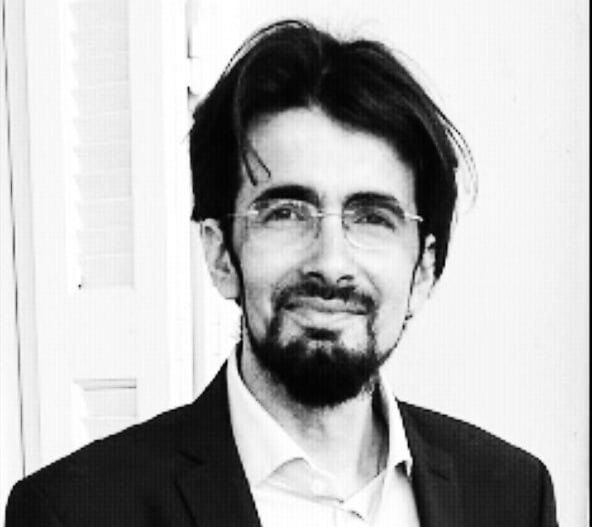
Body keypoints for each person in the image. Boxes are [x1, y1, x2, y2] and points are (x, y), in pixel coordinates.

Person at [6, 19, 558, 527]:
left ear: (423, 271)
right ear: (221, 255)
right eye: (287, 213)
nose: (331, 263)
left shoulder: (512, 495)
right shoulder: (73, 512)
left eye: (372, 217)